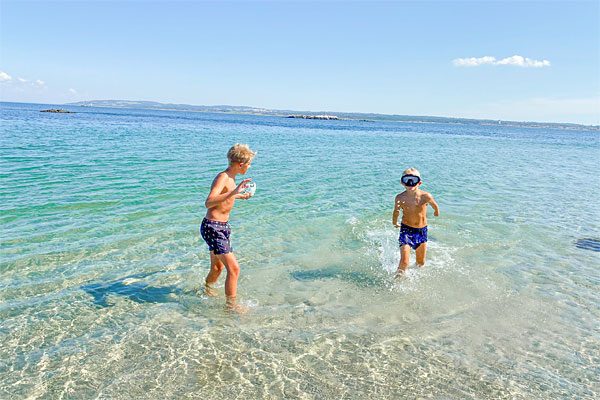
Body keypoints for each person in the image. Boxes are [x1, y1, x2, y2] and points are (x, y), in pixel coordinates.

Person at [201, 143, 256, 311]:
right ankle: (231, 306)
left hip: (222, 227)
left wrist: (238, 196)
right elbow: (209, 202)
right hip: (213, 228)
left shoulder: (232, 179)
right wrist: (233, 193)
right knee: (234, 268)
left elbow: (224, 199)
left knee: (218, 268)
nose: (249, 166)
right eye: (248, 163)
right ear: (241, 164)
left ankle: (207, 291)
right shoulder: (223, 177)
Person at [392, 168, 440, 275]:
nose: (410, 183)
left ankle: (414, 276)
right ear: (402, 182)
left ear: (419, 182)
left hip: (421, 231)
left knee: (421, 262)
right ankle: (397, 282)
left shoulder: (425, 196)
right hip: (406, 230)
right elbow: (396, 211)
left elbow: (434, 205)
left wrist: (436, 211)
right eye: (407, 179)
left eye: (413, 180)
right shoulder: (400, 197)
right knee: (404, 262)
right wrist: (395, 222)